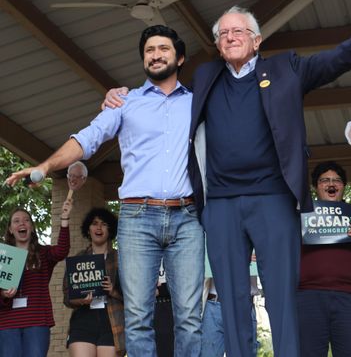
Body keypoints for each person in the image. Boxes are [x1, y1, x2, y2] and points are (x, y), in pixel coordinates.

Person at [103, 0, 351, 356]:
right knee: (230, 300)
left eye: (238, 30)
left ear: (256, 39)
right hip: (222, 205)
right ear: (216, 43)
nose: (230, 36)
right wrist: (121, 95)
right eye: (223, 33)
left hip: (273, 200)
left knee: (281, 297)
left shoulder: (285, 69)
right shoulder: (207, 77)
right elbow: (166, 94)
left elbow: (340, 58)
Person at [5, 25, 204, 357]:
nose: (155, 54)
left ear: (180, 57)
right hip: (138, 217)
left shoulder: (199, 103)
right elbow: (87, 138)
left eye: (163, 49)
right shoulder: (125, 103)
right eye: (149, 50)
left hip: (188, 215)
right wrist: (45, 166)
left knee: (189, 318)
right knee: (138, 317)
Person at [297, 161, 351, 357]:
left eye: (336, 180)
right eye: (324, 180)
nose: (331, 184)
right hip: (307, 298)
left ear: (344, 186)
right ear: (316, 186)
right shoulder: (300, 218)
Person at [0, 200, 72, 357]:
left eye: (26, 220)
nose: (22, 223)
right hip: (7, 323)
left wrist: (64, 221)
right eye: (16, 221)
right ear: (11, 230)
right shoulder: (3, 258)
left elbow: (61, 251)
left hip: (37, 322)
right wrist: (3, 294)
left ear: (31, 228)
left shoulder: (44, 254)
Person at [63, 208, 125, 357]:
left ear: (110, 230)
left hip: (112, 322)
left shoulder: (121, 258)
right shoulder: (78, 259)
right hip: (83, 321)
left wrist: (113, 290)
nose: (98, 227)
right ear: (88, 229)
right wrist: (79, 300)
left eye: (103, 224)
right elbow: (66, 297)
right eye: (94, 223)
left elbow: (135, 296)